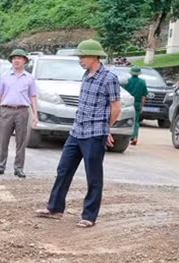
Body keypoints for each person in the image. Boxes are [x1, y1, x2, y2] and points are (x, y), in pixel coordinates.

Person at [35, 39, 120, 228]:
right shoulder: (85, 75)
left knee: (94, 176)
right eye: (79, 56)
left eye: (83, 56)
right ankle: (55, 208)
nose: (80, 60)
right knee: (63, 169)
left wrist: (105, 128)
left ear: (94, 56)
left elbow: (115, 108)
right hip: (76, 131)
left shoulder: (109, 78)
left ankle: (89, 216)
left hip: (94, 133)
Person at [0, 49, 38, 178]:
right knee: (3, 140)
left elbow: (33, 96)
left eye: (19, 58)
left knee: (21, 141)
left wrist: (35, 115)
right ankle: (0, 166)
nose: (16, 60)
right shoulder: (4, 77)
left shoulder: (29, 78)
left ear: (24, 61)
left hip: (22, 111)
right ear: (11, 61)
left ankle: (19, 168)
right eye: (14, 58)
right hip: (6, 110)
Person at [124, 66, 147, 145]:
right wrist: (142, 106)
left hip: (128, 102)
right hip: (137, 103)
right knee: (136, 121)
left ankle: (128, 136)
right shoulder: (142, 82)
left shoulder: (127, 81)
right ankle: (135, 137)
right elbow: (143, 97)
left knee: (127, 120)